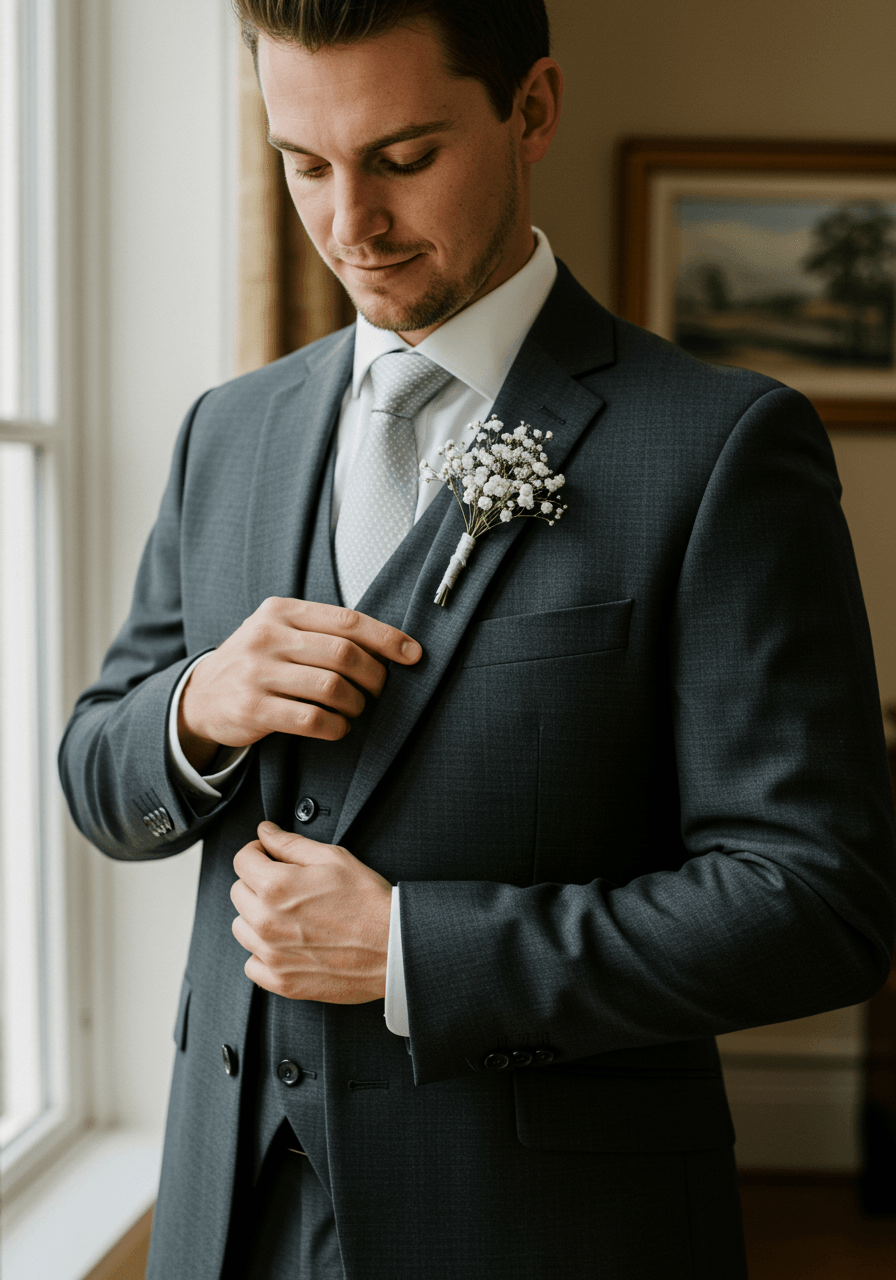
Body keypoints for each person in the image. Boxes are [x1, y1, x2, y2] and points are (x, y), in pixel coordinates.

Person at [59, 2, 896, 1277]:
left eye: (402, 157)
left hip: (542, 1230)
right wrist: (198, 706)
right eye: (303, 163)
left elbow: (816, 902)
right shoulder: (226, 431)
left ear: (532, 109)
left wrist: (414, 949)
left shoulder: (721, 448)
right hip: (224, 1217)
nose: (350, 223)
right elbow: (97, 777)